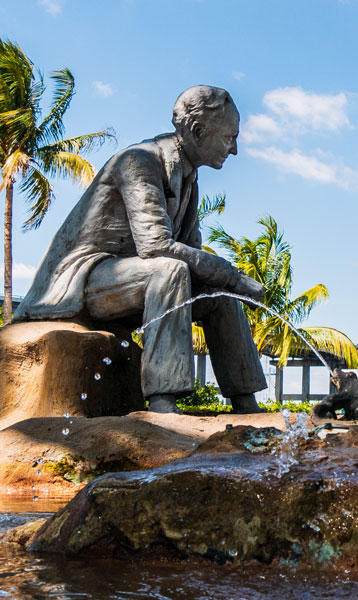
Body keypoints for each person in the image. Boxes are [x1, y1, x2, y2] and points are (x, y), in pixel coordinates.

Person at [14, 86, 267, 414]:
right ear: (198, 131)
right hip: (85, 277)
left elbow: (192, 252)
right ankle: (163, 401)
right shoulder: (138, 161)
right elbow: (156, 246)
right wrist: (234, 276)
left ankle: (245, 401)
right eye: (229, 137)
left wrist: (226, 284)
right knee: (170, 269)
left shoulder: (189, 179)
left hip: (131, 282)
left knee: (218, 294)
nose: (233, 150)